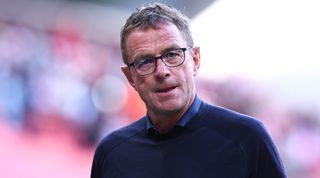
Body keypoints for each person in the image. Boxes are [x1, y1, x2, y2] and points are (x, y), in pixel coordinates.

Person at [91, 3, 287, 178]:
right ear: (130, 77)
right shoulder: (112, 153)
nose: (162, 71)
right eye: (146, 62)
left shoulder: (247, 139)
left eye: (172, 55)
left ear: (195, 60)